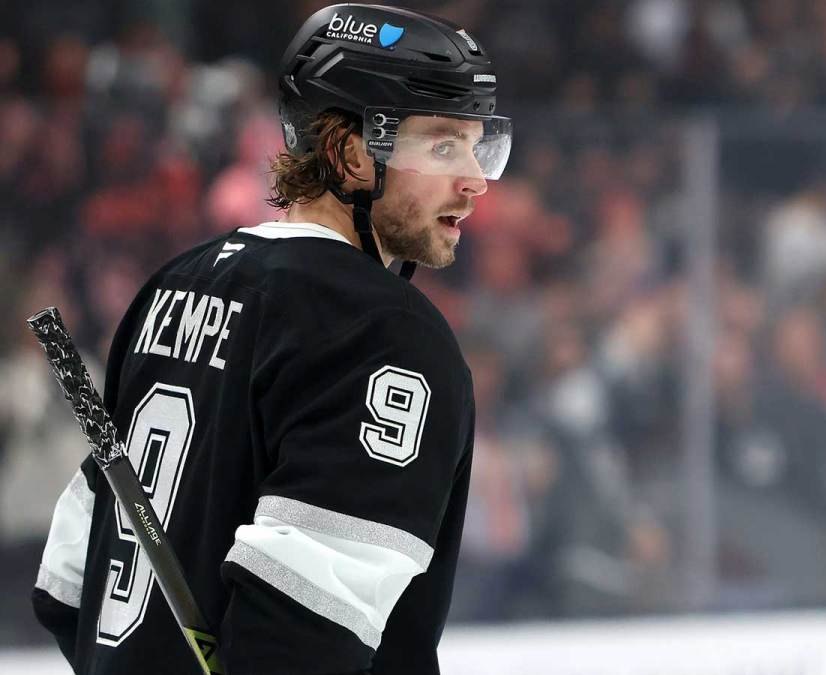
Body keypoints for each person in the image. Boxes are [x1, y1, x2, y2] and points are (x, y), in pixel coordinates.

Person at [30, 4, 511, 674]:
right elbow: (301, 636)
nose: (475, 178)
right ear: (351, 153)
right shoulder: (385, 335)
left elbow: (67, 584)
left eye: (479, 145)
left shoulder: (173, 286)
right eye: (442, 146)